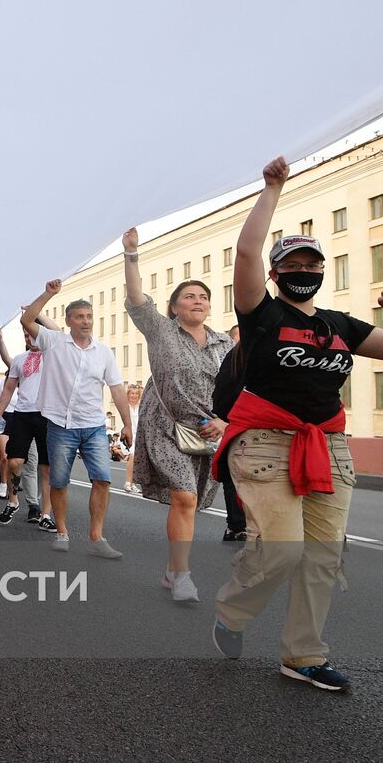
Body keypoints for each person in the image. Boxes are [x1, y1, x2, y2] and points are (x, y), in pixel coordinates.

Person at [212, 157, 383, 692]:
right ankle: (233, 611)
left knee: (323, 557)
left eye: (313, 265)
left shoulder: (339, 326)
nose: (305, 272)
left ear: (322, 272)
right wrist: (273, 188)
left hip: (327, 446)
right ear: (276, 274)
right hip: (264, 443)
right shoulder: (261, 313)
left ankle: (303, 655)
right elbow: (245, 251)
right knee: (282, 550)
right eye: (294, 265)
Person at [123, 227, 233, 602]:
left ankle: (172, 570)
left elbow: (237, 388)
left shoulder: (225, 343)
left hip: (207, 431)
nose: (197, 301)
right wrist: (131, 254)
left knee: (195, 501)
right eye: (189, 296)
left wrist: (225, 421)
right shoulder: (160, 331)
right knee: (184, 497)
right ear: (174, 306)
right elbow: (137, 300)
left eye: (203, 297)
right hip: (165, 426)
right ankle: (183, 575)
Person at [20, 282, 133, 557]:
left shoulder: (104, 352)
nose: (86, 321)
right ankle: (61, 531)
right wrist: (49, 293)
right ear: (69, 320)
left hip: (93, 425)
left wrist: (127, 423)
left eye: (89, 316)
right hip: (60, 425)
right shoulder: (53, 341)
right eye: (80, 316)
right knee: (59, 482)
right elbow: (27, 319)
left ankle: (96, 538)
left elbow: (117, 388)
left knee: (103, 480)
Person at [0, 326, 55, 531]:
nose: (29, 338)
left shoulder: (53, 353)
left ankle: (45, 515)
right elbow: (9, 388)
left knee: (46, 468)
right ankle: (13, 500)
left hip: (48, 415)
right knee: (14, 462)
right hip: (22, 414)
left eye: (33, 334)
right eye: (26, 335)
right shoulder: (19, 359)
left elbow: (58, 332)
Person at [212, 326, 248, 542]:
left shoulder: (237, 358)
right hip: (236, 426)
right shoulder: (233, 359)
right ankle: (238, 526)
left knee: (234, 477)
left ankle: (238, 526)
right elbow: (221, 393)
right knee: (233, 478)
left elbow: (220, 394)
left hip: (240, 424)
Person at [122, 383, 143, 493]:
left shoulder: (141, 405)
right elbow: (120, 395)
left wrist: (142, 389)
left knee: (137, 460)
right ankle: (127, 483)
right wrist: (127, 388)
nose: (134, 396)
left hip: (139, 436)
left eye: (136, 394)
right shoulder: (125, 406)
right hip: (128, 435)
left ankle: (133, 483)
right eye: (132, 393)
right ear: (128, 394)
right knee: (133, 456)